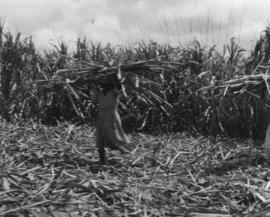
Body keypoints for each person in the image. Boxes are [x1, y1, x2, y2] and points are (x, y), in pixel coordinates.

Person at [95, 74, 130, 163]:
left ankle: (120, 148)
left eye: (104, 85)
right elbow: (93, 100)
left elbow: (119, 88)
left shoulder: (114, 92)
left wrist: (117, 79)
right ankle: (102, 160)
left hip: (112, 118)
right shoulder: (99, 93)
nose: (102, 86)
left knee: (113, 136)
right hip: (101, 117)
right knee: (100, 139)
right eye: (102, 85)